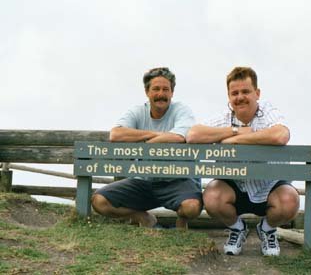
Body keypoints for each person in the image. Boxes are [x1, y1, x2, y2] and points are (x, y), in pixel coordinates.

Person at [186, 66, 299, 256]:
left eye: (245, 91)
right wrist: (235, 131)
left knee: (289, 200)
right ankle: (238, 228)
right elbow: (192, 135)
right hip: (234, 186)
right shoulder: (223, 117)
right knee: (212, 197)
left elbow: (280, 135)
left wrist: (235, 141)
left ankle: (267, 229)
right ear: (229, 96)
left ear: (257, 93)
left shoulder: (268, 111)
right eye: (234, 93)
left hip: (268, 185)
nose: (240, 97)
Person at [91, 67, 202, 229]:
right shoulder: (137, 111)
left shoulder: (181, 110)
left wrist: (143, 141)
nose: (161, 94)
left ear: (172, 92)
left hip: (178, 179)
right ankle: (143, 217)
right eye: (156, 89)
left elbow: (179, 137)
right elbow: (116, 134)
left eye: (166, 89)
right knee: (99, 201)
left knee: (192, 208)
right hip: (144, 180)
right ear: (147, 91)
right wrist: (155, 135)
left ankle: (182, 221)